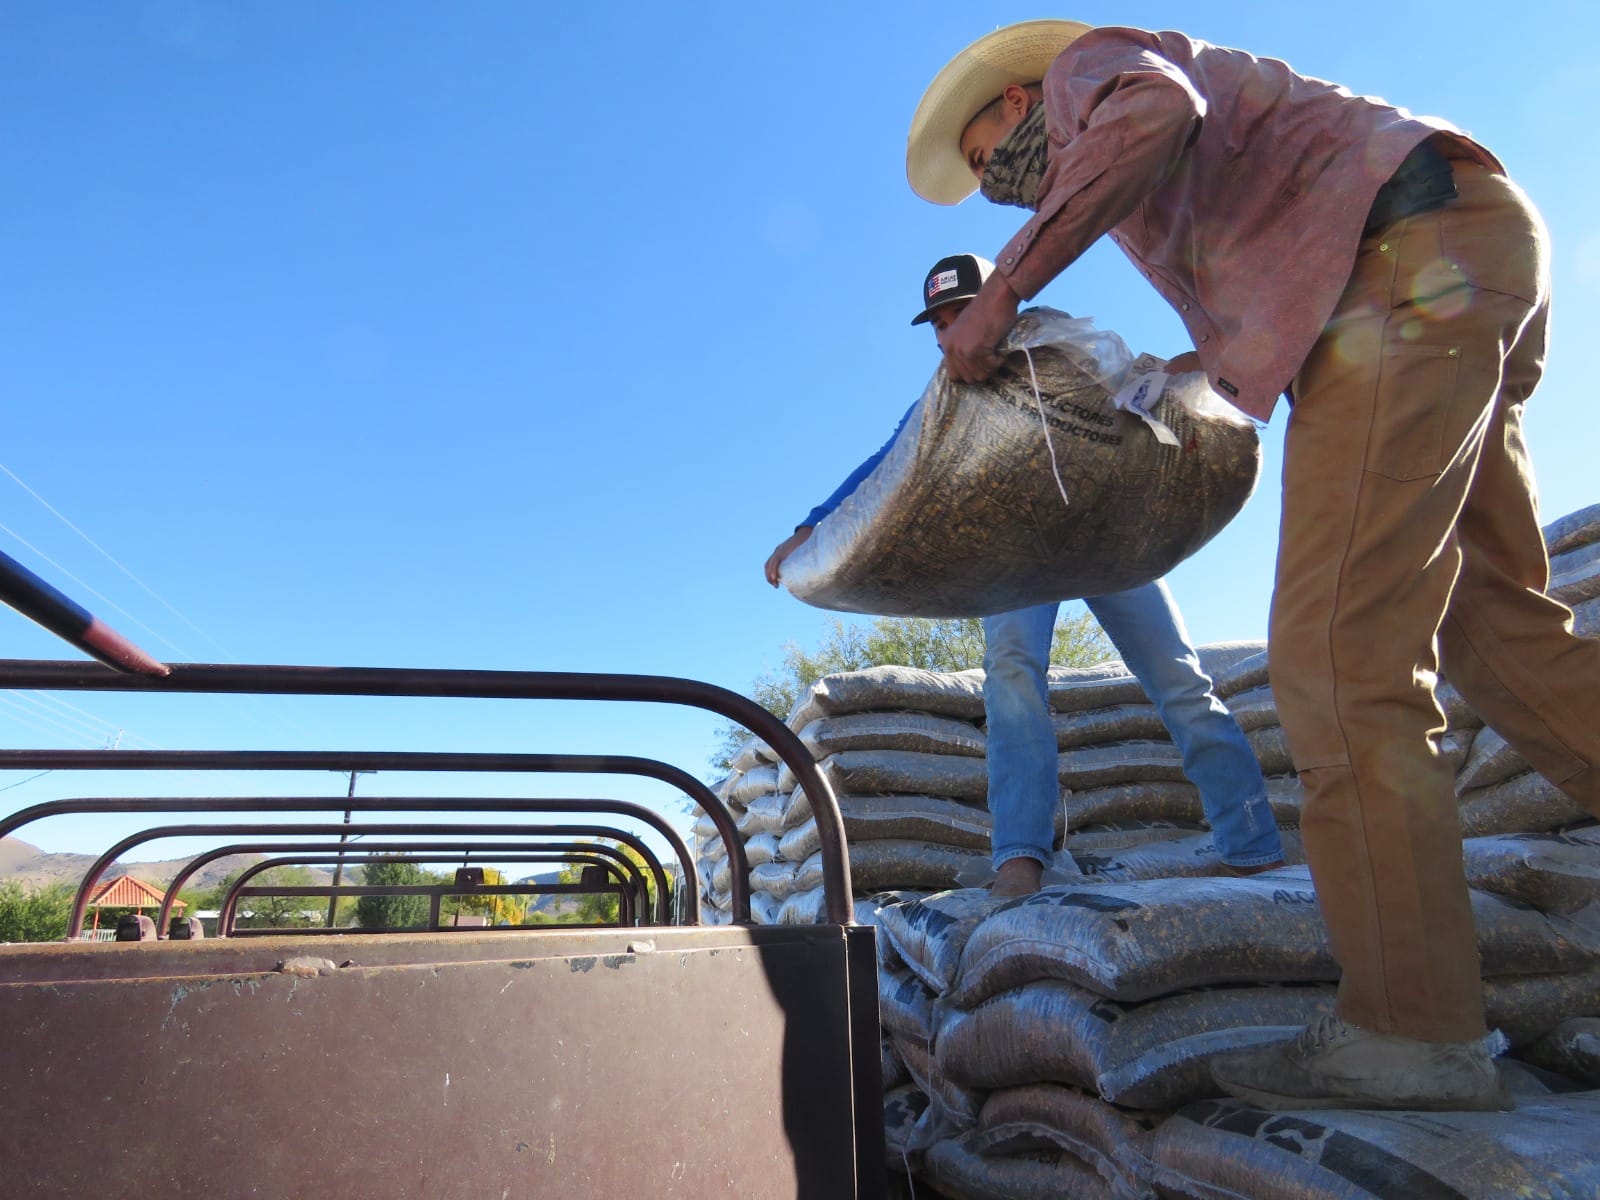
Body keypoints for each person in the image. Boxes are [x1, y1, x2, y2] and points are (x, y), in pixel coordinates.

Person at [904, 19, 1600, 1112]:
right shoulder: (1154, 199)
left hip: (1403, 273)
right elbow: (1260, 305)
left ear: (1014, 98)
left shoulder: (1091, 74)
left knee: (1334, 656)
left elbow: (1154, 113)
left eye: (989, 158)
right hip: (1464, 252)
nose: (996, 184)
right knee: (1498, 633)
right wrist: (1180, 377)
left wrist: (1002, 293)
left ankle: (1411, 1031)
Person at [765, 251, 1284, 900]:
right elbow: (890, 460)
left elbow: (1143, 390)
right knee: (1011, 677)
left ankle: (1252, 842)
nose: (950, 331)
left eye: (961, 312)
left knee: (1178, 675)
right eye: (940, 322)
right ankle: (1019, 858)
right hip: (1017, 550)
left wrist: (1197, 377)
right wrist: (812, 527)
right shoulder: (951, 391)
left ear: (998, 304)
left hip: (1108, 538)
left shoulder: (1058, 345)